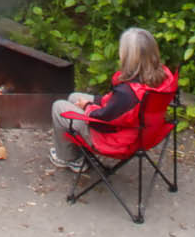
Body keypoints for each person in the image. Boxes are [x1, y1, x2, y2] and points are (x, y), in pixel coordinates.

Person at [50, 26, 177, 169]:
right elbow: (115, 105)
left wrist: (87, 107)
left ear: (129, 57)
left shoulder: (127, 93)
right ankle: (77, 155)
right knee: (74, 97)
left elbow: (102, 120)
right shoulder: (162, 78)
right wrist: (93, 103)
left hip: (115, 140)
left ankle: (68, 158)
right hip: (143, 133)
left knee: (58, 107)